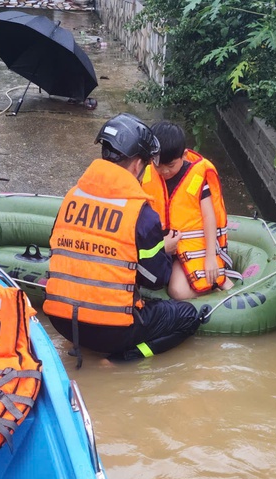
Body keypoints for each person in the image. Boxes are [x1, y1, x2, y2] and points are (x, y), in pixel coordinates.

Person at [44, 113, 202, 366]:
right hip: (110, 330)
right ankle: (121, 360)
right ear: (138, 165)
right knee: (188, 317)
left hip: (61, 321)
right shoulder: (140, 213)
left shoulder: (72, 197)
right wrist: (166, 250)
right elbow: (155, 279)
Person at [141, 121, 241, 300]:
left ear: (185, 155)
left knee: (178, 292)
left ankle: (219, 282)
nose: (164, 171)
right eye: (158, 165)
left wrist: (210, 257)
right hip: (162, 246)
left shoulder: (196, 178)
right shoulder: (147, 175)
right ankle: (213, 285)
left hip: (191, 247)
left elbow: (209, 216)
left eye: (170, 165)